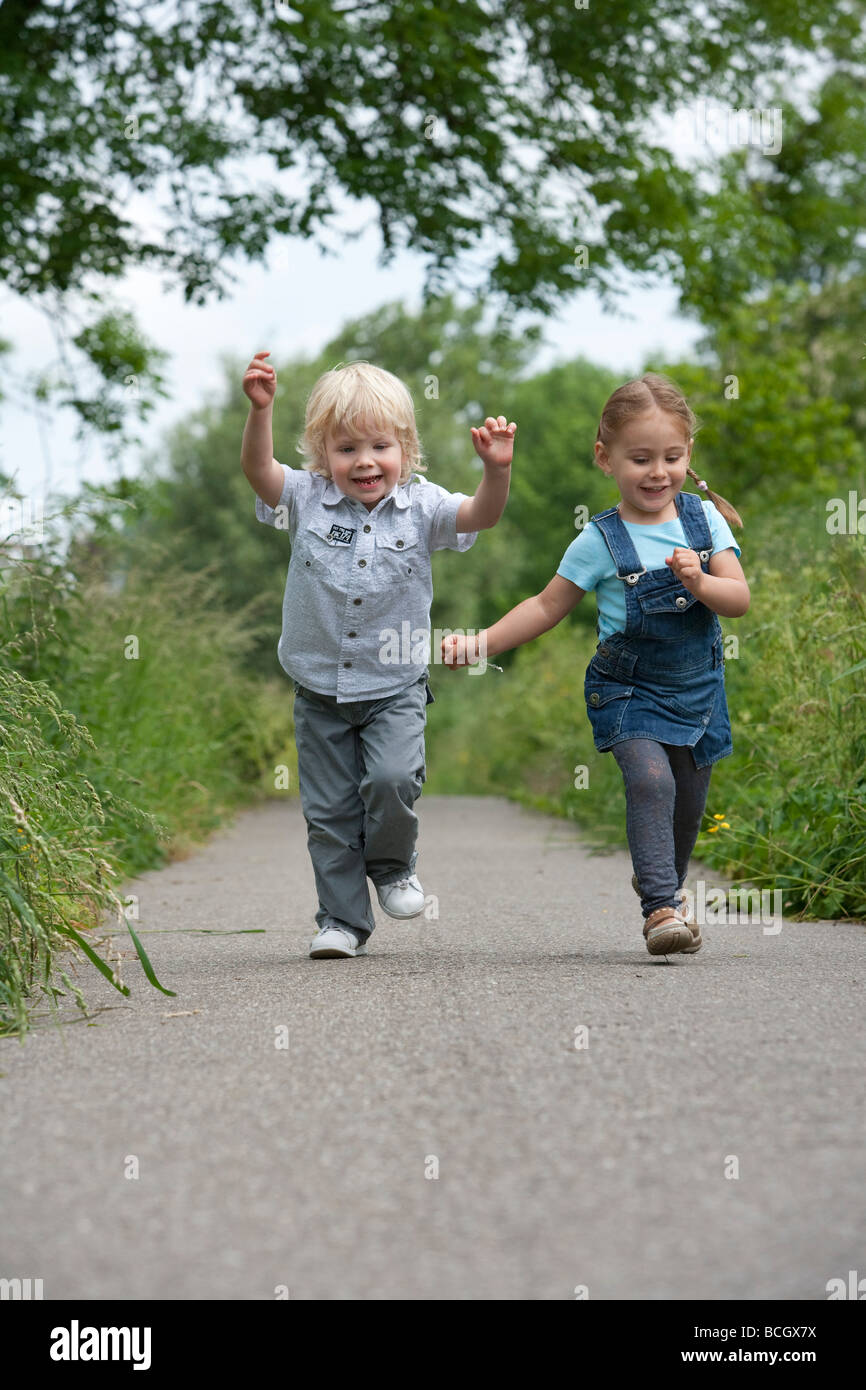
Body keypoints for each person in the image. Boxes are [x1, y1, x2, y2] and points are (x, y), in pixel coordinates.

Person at [442, 372, 749, 957]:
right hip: (628, 691)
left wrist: (701, 581)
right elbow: (545, 605)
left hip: (699, 690)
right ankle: (660, 908)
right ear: (605, 459)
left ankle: (662, 877)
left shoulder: (702, 522)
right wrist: (482, 642)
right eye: (640, 459)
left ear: (689, 455)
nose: (657, 472)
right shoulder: (600, 540)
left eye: (672, 457)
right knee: (651, 781)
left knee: (687, 806)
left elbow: (738, 600)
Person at [242, 352, 516, 958]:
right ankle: (341, 921)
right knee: (330, 813)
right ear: (322, 457)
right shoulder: (306, 498)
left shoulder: (424, 507)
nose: (364, 461)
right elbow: (259, 472)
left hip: (395, 684)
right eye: (346, 450)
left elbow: (481, 515)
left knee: (391, 779)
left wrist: (494, 471)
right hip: (319, 690)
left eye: (379, 446)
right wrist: (260, 412)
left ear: (406, 449)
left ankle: (393, 867)